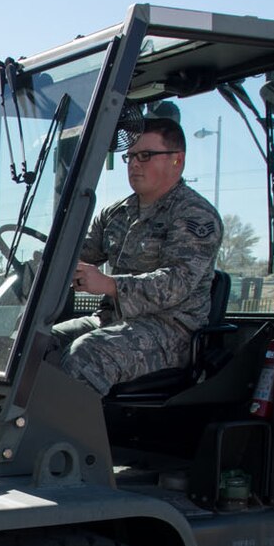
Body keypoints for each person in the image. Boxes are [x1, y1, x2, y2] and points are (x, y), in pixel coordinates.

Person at [51, 117, 223, 393]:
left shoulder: (195, 216)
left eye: (145, 155)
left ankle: (69, 435)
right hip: (111, 320)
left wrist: (109, 284)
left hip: (170, 333)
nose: (134, 164)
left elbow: (175, 283)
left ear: (177, 160)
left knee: (87, 355)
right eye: (130, 156)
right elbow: (78, 254)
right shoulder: (116, 213)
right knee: (39, 344)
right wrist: (39, 265)